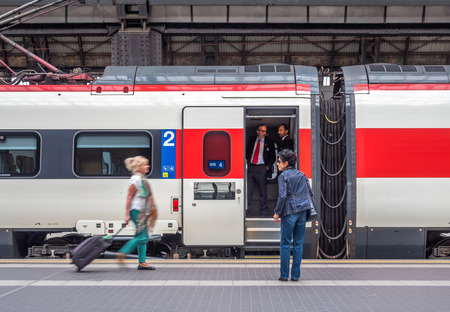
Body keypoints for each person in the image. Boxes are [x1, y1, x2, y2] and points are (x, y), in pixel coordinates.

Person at [273, 149, 313, 281]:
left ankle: (284, 275)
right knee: (298, 243)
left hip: (289, 212)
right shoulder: (302, 175)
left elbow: (282, 195)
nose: (277, 164)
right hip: (302, 212)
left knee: (285, 243)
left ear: (285, 163)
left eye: (279, 161)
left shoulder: (283, 176)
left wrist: (277, 212)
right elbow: (310, 193)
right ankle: (295, 276)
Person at [117, 156, 158, 270]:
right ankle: (123, 252)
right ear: (139, 167)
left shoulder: (141, 179)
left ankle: (142, 262)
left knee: (141, 236)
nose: (148, 166)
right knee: (143, 237)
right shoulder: (135, 179)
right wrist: (127, 214)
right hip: (137, 211)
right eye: (145, 164)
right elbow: (129, 197)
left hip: (142, 212)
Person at [246, 124, 276, 217]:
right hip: (251, 167)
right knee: (248, 190)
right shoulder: (251, 139)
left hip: (261, 168)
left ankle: (264, 211)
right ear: (257, 131)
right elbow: (247, 152)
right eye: (262, 131)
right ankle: (247, 209)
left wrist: (268, 166)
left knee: (262, 191)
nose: (264, 133)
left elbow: (273, 156)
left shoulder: (269, 141)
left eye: (265, 131)